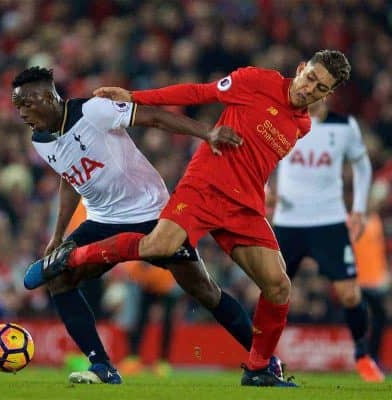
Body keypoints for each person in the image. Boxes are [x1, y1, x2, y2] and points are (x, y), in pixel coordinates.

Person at [28, 50, 352, 387]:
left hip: (245, 206)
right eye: (310, 78)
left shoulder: (302, 125)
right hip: (205, 186)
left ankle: (259, 368)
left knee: (278, 286)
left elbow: (258, 157)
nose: (309, 89)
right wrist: (134, 96)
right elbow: (199, 92)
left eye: (319, 88)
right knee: (157, 245)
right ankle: (74, 258)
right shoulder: (258, 81)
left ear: (327, 95)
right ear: (301, 69)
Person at [12, 67, 255, 384]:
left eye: (25, 104)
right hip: (102, 220)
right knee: (59, 280)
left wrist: (206, 133)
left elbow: (154, 118)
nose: (21, 113)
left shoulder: (93, 111)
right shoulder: (40, 140)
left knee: (204, 291)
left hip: (151, 214)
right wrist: (58, 235)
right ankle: (102, 366)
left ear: (47, 96)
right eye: (17, 107)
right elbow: (70, 178)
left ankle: (264, 361)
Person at [270, 100, 384, 382]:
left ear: (331, 92)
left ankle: (363, 356)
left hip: (329, 221)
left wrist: (358, 210)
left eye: (322, 86)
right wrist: (264, 189)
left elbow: (362, 166)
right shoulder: (283, 119)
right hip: (288, 221)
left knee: (349, 293)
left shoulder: (344, 126)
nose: (314, 93)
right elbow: (259, 155)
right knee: (270, 291)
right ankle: (260, 358)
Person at [354, 209, 391, 364]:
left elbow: (379, 251)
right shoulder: (353, 220)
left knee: (379, 318)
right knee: (362, 319)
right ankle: (365, 356)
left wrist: (385, 272)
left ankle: (373, 357)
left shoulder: (376, 220)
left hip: (375, 281)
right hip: (357, 279)